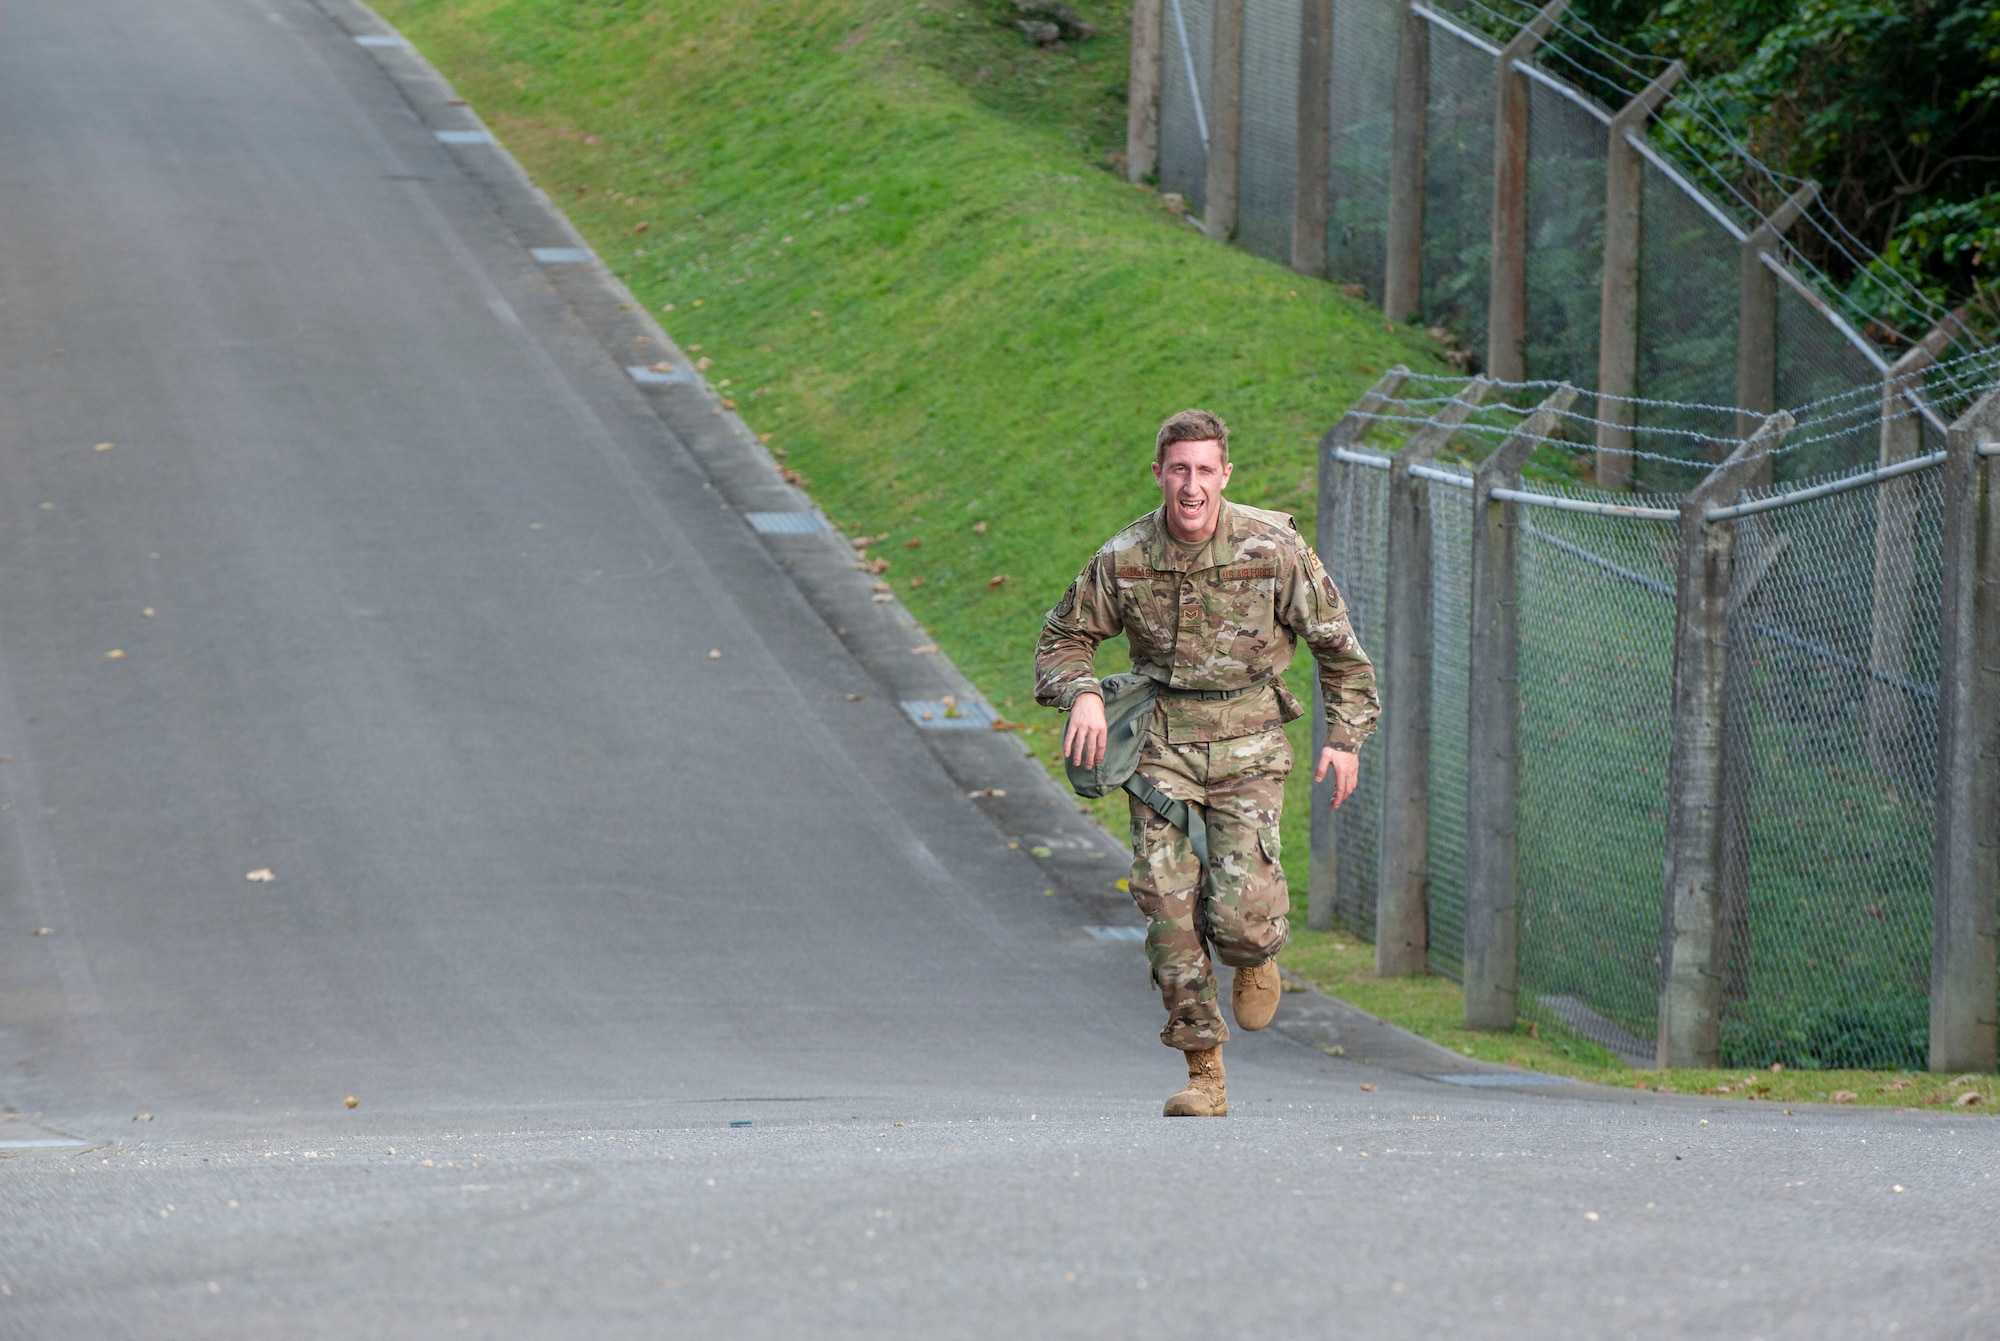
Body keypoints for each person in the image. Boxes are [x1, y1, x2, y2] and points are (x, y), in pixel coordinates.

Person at [1034, 409, 1379, 1117]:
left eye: (1204, 470)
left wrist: (1345, 739)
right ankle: (1205, 1075)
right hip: (1159, 748)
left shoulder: (1274, 548)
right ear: (1159, 474)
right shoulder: (1123, 558)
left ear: (1225, 474)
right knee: (1167, 910)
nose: (1191, 486)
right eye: (1179, 470)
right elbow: (1063, 637)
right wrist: (1083, 696)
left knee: (1239, 918)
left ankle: (1255, 953)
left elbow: (1339, 649)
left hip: (1250, 743)